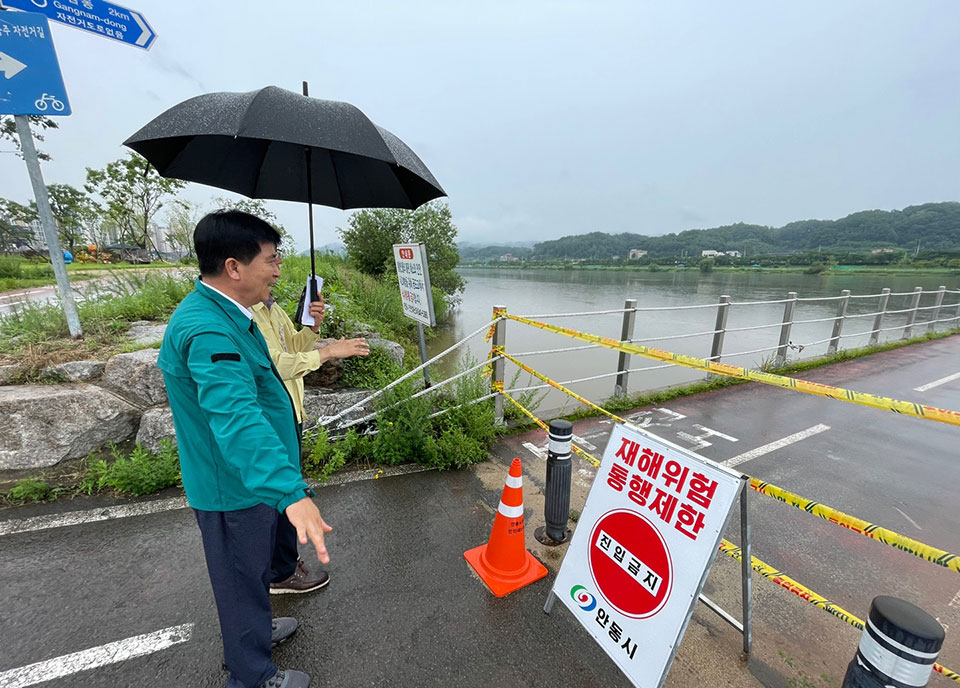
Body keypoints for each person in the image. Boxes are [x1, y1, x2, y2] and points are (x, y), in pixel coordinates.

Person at [158, 210, 327, 688]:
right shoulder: (210, 330)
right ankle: (251, 676)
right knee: (237, 581)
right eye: (271, 260)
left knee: (251, 571)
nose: (277, 270)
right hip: (232, 483)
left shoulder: (230, 314)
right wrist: (291, 493)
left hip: (248, 479)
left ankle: (255, 632)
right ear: (234, 267)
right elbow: (237, 418)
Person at [251, 291, 369, 594]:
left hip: (290, 407)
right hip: (271, 415)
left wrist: (313, 330)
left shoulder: (271, 308)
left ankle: (282, 563)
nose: (277, 270)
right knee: (283, 491)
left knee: (283, 488)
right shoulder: (247, 314)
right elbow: (276, 365)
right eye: (270, 261)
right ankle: (281, 572)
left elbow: (292, 346)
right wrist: (329, 352)